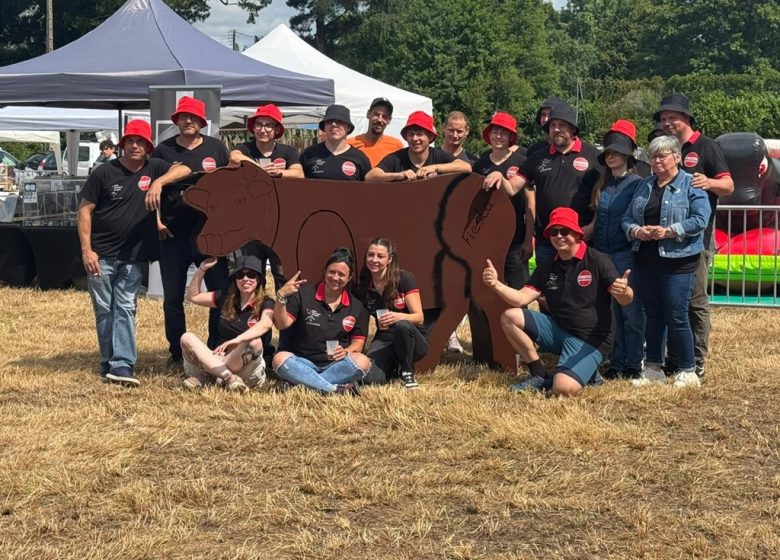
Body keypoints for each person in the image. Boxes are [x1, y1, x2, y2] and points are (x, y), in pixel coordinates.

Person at [77, 119, 192, 386]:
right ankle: (109, 361)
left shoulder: (154, 168)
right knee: (105, 309)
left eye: (140, 141)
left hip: (133, 256)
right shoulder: (104, 173)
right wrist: (87, 250)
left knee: (126, 307)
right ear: (122, 145)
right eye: (130, 141)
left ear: (148, 146)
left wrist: (158, 183)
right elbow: (84, 210)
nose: (135, 146)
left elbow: (186, 168)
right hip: (101, 255)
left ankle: (122, 364)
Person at [482, 207, 633, 397]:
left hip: (591, 339)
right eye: (554, 232)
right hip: (559, 331)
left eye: (565, 231)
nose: (559, 236)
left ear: (577, 234)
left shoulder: (598, 260)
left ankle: (588, 373)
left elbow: (625, 300)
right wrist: (495, 284)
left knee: (562, 389)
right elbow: (521, 298)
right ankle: (538, 374)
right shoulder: (547, 267)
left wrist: (625, 291)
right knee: (509, 316)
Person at [145, 95, 231, 367]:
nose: (189, 121)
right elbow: (151, 191)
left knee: (220, 293)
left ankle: (216, 347)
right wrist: (157, 222)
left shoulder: (217, 148)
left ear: (202, 122)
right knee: (172, 298)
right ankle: (177, 350)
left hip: (210, 235)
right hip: (172, 234)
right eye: (184, 117)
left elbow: (230, 187)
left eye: (193, 117)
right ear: (177, 120)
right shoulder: (163, 150)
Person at [622, 135, 711, 388]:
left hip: (679, 261)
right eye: (653, 156)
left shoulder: (692, 184)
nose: (657, 161)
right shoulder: (644, 186)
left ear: (677, 157)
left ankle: (687, 369)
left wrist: (669, 231)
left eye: (663, 156)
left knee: (677, 315)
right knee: (654, 315)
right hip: (646, 259)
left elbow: (700, 219)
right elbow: (627, 218)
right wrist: (637, 231)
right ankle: (653, 367)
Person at [655, 93, 733, 378]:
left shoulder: (706, 146)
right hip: (666, 240)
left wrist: (709, 182)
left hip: (697, 238)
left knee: (694, 300)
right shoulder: (664, 147)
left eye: (672, 118)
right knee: (671, 300)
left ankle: (697, 359)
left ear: (686, 119)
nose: (667, 123)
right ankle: (675, 358)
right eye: (663, 119)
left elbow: (729, 185)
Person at [487, 101, 603, 268]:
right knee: (549, 290)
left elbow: (606, 195)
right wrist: (500, 176)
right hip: (547, 240)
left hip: (580, 238)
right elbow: (512, 188)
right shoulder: (537, 156)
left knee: (580, 292)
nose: (556, 129)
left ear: (573, 129)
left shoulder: (593, 155)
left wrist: (592, 226)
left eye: (562, 125)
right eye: (552, 125)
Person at [588, 120, 645, 380]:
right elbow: (597, 222)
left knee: (630, 311)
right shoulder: (603, 185)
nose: (610, 156)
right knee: (612, 312)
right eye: (608, 152)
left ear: (627, 156)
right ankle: (617, 362)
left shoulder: (637, 184)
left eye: (615, 152)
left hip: (625, 254)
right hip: (601, 253)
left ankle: (633, 363)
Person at [271, 248, 371, 394]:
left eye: (341, 274)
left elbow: (359, 342)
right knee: (279, 359)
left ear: (349, 278)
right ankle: (333, 389)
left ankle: (300, 383)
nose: (335, 277)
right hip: (302, 362)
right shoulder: (303, 294)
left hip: (336, 365)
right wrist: (281, 297)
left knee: (363, 362)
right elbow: (281, 324)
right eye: (332, 272)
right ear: (325, 272)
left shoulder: (356, 306)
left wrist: (346, 351)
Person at [179, 255, 274, 392]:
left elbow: (266, 324)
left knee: (255, 342)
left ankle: (210, 376)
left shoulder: (267, 302)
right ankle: (228, 378)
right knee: (186, 337)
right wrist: (201, 269)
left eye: (251, 275)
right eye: (240, 275)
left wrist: (237, 340)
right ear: (235, 280)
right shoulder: (226, 297)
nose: (245, 279)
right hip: (219, 358)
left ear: (259, 279)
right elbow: (192, 296)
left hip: (244, 365)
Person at [354, 238, 428, 389]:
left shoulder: (404, 278)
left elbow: (419, 318)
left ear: (390, 259)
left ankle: (407, 371)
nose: (374, 260)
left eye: (380, 256)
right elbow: (362, 325)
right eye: (370, 255)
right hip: (385, 338)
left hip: (411, 338)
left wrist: (398, 316)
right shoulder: (364, 285)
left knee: (402, 325)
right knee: (370, 380)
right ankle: (393, 368)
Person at [473, 111, 534, 288]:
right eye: (495, 131)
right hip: (487, 240)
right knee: (487, 291)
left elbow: (530, 201)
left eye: (504, 132)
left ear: (511, 137)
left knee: (518, 291)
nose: (498, 136)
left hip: (516, 240)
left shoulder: (523, 162)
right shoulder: (480, 164)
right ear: (488, 134)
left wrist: (528, 239)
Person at [366, 111, 471, 181]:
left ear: (430, 137)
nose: (415, 139)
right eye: (411, 134)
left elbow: (466, 167)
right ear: (406, 137)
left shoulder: (438, 156)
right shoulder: (396, 158)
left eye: (420, 134)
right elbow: (370, 176)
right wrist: (398, 175)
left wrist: (435, 167)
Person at [229, 104, 303, 178]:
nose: (262, 130)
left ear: (277, 130)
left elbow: (299, 174)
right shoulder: (244, 148)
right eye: (258, 125)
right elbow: (234, 157)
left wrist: (278, 172)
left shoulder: (288, 151)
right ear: (254, 127)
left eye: (268, 126)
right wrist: (258, 168)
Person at [300, 105, 371, 181]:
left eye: (339, 121)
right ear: (324, 127)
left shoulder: (360, 158)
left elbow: (369, 189)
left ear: (348, 127)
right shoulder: (309, 154)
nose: (333, 124)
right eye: (329, 121)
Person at [347, 97, 404, 167]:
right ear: (368, 114)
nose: (380, 120)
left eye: (384, 116)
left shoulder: (396, 146)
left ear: (389, 120)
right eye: (376, 114)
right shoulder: (350, 144)